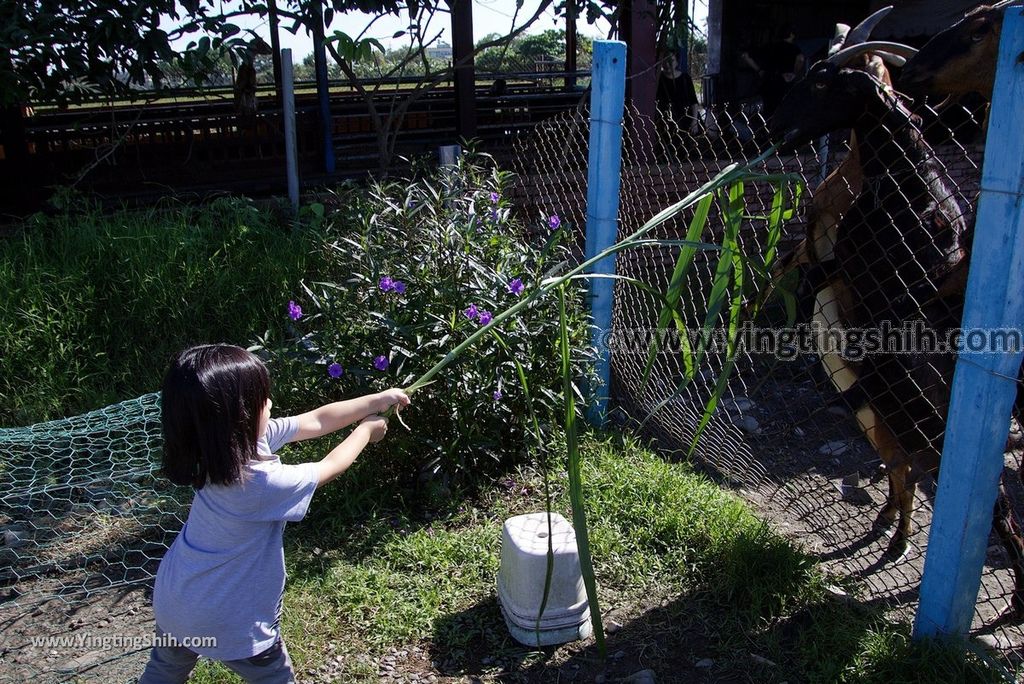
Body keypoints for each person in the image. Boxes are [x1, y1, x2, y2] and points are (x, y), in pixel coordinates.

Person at [139, 344, 410, 683]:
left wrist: (376, 400)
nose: (269, 403)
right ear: (237, 415)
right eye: (261, 399)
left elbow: (315, 420)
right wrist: (366, 431)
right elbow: (329, 467)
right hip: (229, 617)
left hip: (177, 598)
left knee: (165, 670)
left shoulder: (217, 448)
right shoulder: (259, 482)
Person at [740, 25, 805, 117]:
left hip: (768, 82)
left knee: (768, 111)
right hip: (784, 83)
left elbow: (745, 56)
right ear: (791, 34)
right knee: (783, 111)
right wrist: (794, 73)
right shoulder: (794, 49)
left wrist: (759, 71)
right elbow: (801, 59)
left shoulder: (770, 46)